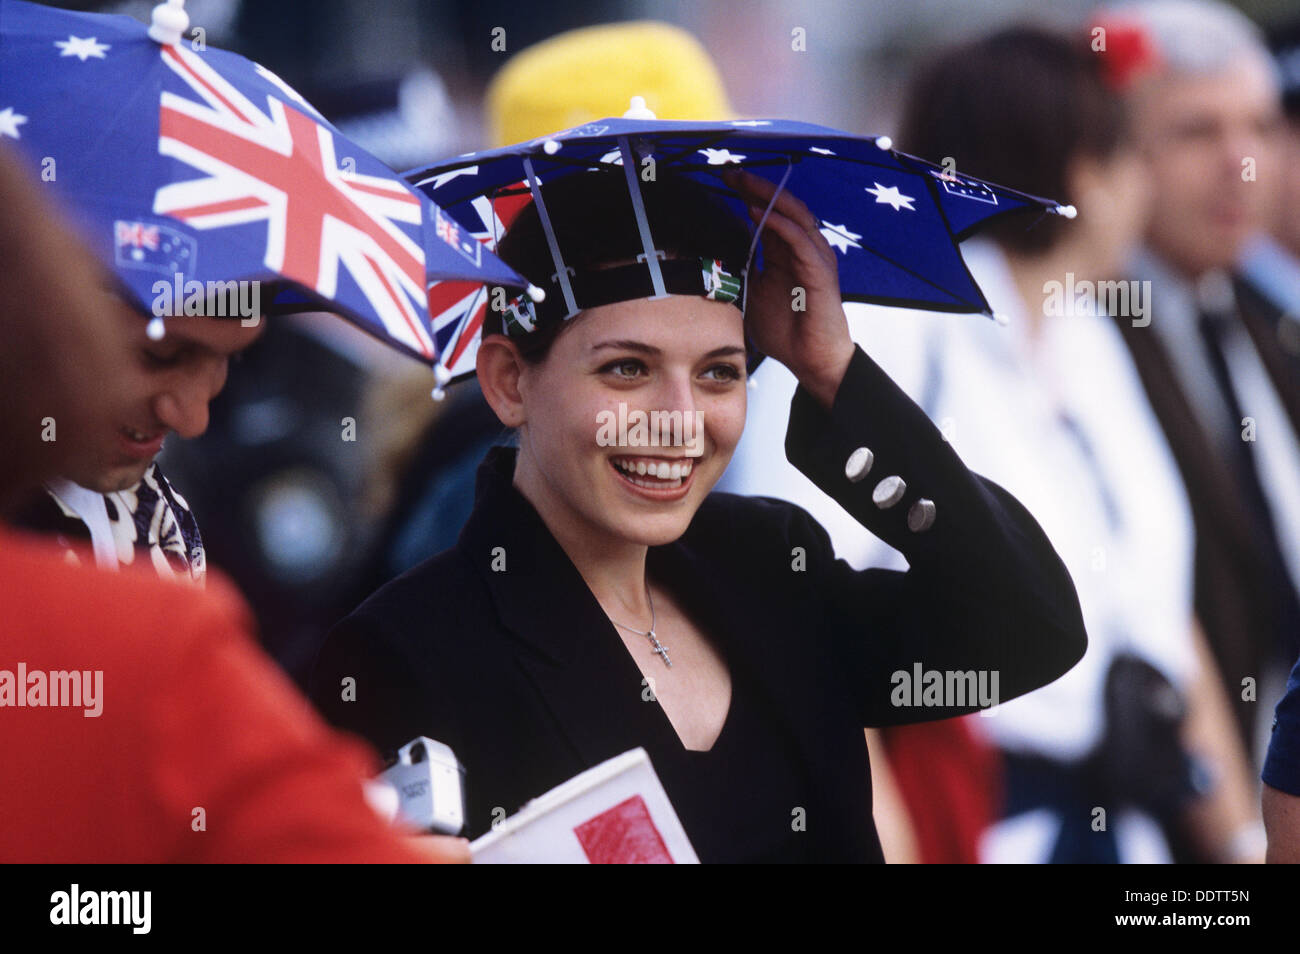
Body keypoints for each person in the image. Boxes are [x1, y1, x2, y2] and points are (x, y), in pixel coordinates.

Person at [309, 165, 1088, 863]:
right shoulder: (403, 653)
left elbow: (1029, 629)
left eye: (720, 373)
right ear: (511, 382)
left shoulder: (771, 568)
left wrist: (835, 374)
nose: (680, 419)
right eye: (627, 369)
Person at [0, 144, 464, 864]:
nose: (192, 415)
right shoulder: (143, 634)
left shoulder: (152, 545)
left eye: (229, 362)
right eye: (161, 355)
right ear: (40, 315)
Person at [1096, 0, 1300, 767]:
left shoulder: (1266, 317)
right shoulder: (1081, 329)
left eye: (1260, 127)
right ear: (1113, 152)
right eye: (1197, 131)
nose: (1241, 163)